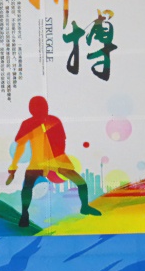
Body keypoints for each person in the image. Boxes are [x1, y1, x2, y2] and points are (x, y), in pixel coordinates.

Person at [5, 95, 101, 228]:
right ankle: (24, 214)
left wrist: (14, 166)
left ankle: (84, 207)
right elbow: (21, 146)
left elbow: (61, 142)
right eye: (38, 107)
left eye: (42, 106)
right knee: (28, 187)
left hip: (53, 160)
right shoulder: (30, 124)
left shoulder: (52, 121)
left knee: (81, 183)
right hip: (40, 162)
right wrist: (14, 165)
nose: (41, 109)